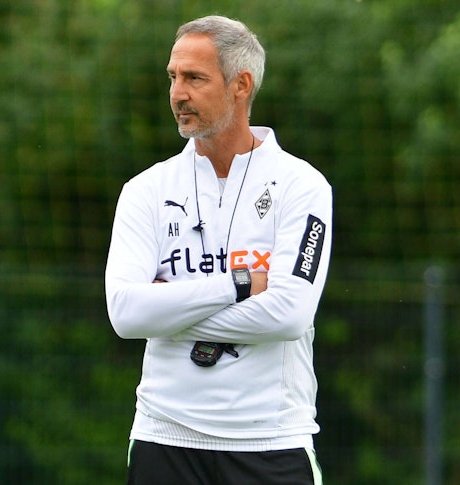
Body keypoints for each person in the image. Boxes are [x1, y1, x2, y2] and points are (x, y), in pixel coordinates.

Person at [105, 16, 332, 484]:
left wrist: (168, 311)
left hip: (271, 443)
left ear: (240, 85)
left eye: (194, 78)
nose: (177, 93)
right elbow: (126, 314)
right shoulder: (144, 190)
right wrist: (241, 284)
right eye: (173, 77)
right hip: (164, 438)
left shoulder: (302, 186)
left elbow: (290, 315)